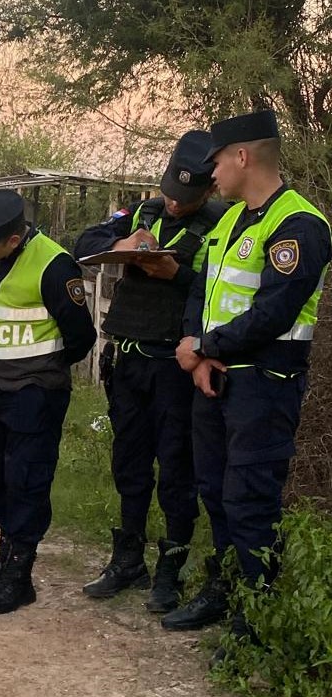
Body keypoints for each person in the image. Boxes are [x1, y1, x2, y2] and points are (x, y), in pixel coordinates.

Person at [167, 111, 331, 658]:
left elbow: (274, 312)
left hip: (265, 384)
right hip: (215, 379)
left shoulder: (299, 225)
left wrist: (207, 348)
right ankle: (226, 586)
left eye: (215, 161)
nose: (210, 173)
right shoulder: (231, 219)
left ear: (242, 156)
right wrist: (197, 352)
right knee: (213, 490)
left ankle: (254, 619)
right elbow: (202, 290)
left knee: (250, 500)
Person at [74, 131, 227, 612]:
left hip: (174, 367)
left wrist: (174, 273)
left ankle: (171, 567)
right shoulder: (143, 212)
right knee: (130, 461)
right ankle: (128, 557)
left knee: (176, 470)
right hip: (129, 358)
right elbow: (86, 241)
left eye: (185, 199)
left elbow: (216, 284)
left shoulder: (220, 225)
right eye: (170, 194)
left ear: (207, 192)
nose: (174, 206)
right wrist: (124, 241)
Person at [0, 189, 97, 615]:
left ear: (14, 240)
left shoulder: (55, 266)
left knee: (27, 480)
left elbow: (82, 337)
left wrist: (43, 369)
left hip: (36, 393)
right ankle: (6, 555)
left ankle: (21, 574)